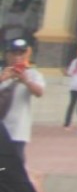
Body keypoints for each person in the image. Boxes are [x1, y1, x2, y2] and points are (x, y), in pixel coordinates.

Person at [0, 40, 44, 168]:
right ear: (7, 55)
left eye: (21, 53)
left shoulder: (33, 74)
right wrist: (3, 78)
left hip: (17, 130)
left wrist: (26, 81)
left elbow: (39, 92)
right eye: (14, 53)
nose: (17, 57)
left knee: (16, 167)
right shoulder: (2, 72)